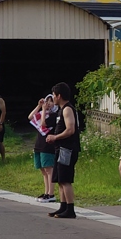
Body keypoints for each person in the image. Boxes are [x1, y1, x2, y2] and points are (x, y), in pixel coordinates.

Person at [46, 82, 81, 219]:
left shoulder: (67, 109)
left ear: (59, 96)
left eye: (54, 95)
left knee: (65, 179)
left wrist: (55, 137)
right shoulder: (61, 110)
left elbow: (70, 129)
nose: (53, 98)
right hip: (60, 148)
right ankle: (63, 206)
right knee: (59, 178)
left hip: (67, 149)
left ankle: (70, 209)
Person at [31, 95, 56, 203]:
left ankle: (51, 194)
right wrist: (39, 106)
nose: (49, 103)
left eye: (51, 101)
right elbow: (30, 117)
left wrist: (44, 109)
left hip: (48, 145)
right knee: (42, 170)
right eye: (47, 101)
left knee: (49, 169)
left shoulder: (54, 115)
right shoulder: (43, 114)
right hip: (39, 144)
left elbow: (43, 124)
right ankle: (46, 192)